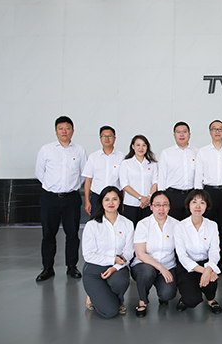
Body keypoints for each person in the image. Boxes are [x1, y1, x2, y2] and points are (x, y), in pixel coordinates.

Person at [35, 116, 87, 282]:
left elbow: (83, 174)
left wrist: (71, 186)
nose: (64, 131)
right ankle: (47, 268)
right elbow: (40, 172)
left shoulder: (79, 150)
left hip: (71, 198)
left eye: (67, 128)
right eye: (61, 128)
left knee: (72, 234)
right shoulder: (46, 149)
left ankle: (72, 266)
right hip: (50, 198)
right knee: (48, 234)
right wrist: (52, 186)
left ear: (73, 131)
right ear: (56, 131)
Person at [81, 186, 134, 318]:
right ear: (101, 202)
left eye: (114, 199)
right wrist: (112, 259)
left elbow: (129, 251)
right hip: (94, 269)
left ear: (120, 201)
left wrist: (115, 267)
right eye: (107, 199)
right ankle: (92, 295)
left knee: (120, 281)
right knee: (110, 312)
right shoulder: (92, 225)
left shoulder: (127, 224)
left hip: (117, 268)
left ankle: (118, 301)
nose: (111, 203)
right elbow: (88, 255)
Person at [130, 191, 179, 317]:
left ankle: (162, 293)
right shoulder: (143, 224)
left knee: (168, 294)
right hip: (144, 265)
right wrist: (161, 268)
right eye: (157, 205)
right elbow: (140, 254)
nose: (161, 209)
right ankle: (142, 301)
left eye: (165, 205)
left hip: (168, 265)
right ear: (151, 207)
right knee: (147, 272)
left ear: (169, 207)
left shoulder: (177, 225)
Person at [174, 189, 222, 314]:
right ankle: (185, 296)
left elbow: (215, 251)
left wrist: (209, 269)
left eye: (202, 203)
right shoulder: (180, 227)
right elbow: (182, 256)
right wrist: (205, 271)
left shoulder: (212, 225)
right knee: (192, 300)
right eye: (194, 202)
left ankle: (211, 300)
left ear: (207, 206)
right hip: (187, 266)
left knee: (211, 281)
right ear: (188, 204)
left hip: (206, 263)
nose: (197, 206)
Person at [194, 120, 222, 258]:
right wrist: (198, 198)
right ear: (210, 132)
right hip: (208, 193)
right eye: (214, 129)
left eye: (220, 129)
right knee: (206, 225)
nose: (217, 131)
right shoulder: (203, 152)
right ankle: (206, 256)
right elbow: (198, 175)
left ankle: (221, 258)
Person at [158, 122, 197, 220]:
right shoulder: (166, 153)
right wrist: (161, 198)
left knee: (190, 224)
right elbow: (162, 176)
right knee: (172, 224)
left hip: (191, 195)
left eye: (184, 132)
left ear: (189, 134)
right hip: (172, 195)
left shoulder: (197, 152)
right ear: (174, 135)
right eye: (178, 132)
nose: (182, 135)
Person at [82, 126, 124, 215]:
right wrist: (87, 200)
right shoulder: (93, 157)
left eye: (110, 136)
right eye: (104, 136)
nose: (107, 139)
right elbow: (88, 180)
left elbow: (125, 181)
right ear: (100, 138)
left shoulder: (122, 157)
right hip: (97, 197)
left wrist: (123, 201)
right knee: (96, 222)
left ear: (115, 138)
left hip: (115, 199)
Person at [119, 135, 158, 226]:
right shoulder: (126, 163)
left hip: (148, 205)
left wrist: (149, 198)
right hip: (131, 204)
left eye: (144, 145)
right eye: (138, 145)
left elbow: (155, 182)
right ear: (133, 146)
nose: (141, 148)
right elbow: (124, 185)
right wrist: (140, 198)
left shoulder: (152, 164)